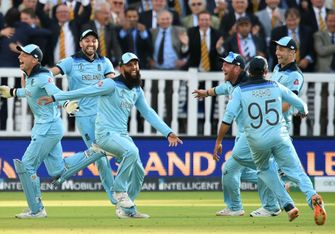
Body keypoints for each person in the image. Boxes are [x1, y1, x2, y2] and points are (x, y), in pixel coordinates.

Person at [39, 52, 183, 219]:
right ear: (121, 68)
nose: (134, 67)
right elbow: (85, 91)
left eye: (136, 64)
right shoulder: (110, 84)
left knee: (139, 172)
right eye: (130, 65)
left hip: (121, 135)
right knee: (132, 151)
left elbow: (149, 113)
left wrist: (168, 132)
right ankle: (119, 191)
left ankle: (127, 210)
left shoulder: (136, 89)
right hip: (105, 134)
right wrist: (56, 97)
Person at [213, 56, 327, 225]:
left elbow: (227, 120)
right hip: (280, 136)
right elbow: (300, 104)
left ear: (249, 72)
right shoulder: (275, 85)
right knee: (296, 171)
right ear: (266, 72)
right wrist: (303, 112)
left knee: (265, 170)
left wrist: (218, 142)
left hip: (257, 140)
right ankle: (312, 196)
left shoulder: (240, 91)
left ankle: (288, 205)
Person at [0, 44, 85, 219]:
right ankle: (95, 152)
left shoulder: (43, 76)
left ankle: (36, 210)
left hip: (47, 128)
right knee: (57, 171)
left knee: (27, 166)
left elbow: (55, 91)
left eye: (24, 54)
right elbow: (31, 92)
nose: (19, 57)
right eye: (20, 54)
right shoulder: (31, 77)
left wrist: (67, 104)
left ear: (35, 59)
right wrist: (13, 92)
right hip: (49, 127)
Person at [193, 52, 281, 217]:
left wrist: (218, 141)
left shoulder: (248, 87)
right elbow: (221, 89)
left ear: (237, 68)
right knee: (241, 171)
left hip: (253, 136)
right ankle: (274, 182)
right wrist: (206, 93)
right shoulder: (232, 84)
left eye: (227, 65)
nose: (222, 67)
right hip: (243, 137)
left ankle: (250, 205)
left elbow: (228, 117)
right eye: (223, 64)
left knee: (229, 168)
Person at [49, 29, 116, 205]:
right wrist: (37, 76)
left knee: (106, 152)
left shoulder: (105, 62)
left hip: (104, 116)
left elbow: (112, 85)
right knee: (100, 156)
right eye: (87, 40)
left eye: (94, 40)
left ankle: (64, 171)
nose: (91, 43)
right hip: (84, 116)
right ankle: (115, 197)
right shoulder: (71, 61)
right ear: (80, 43)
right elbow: (50, 74)